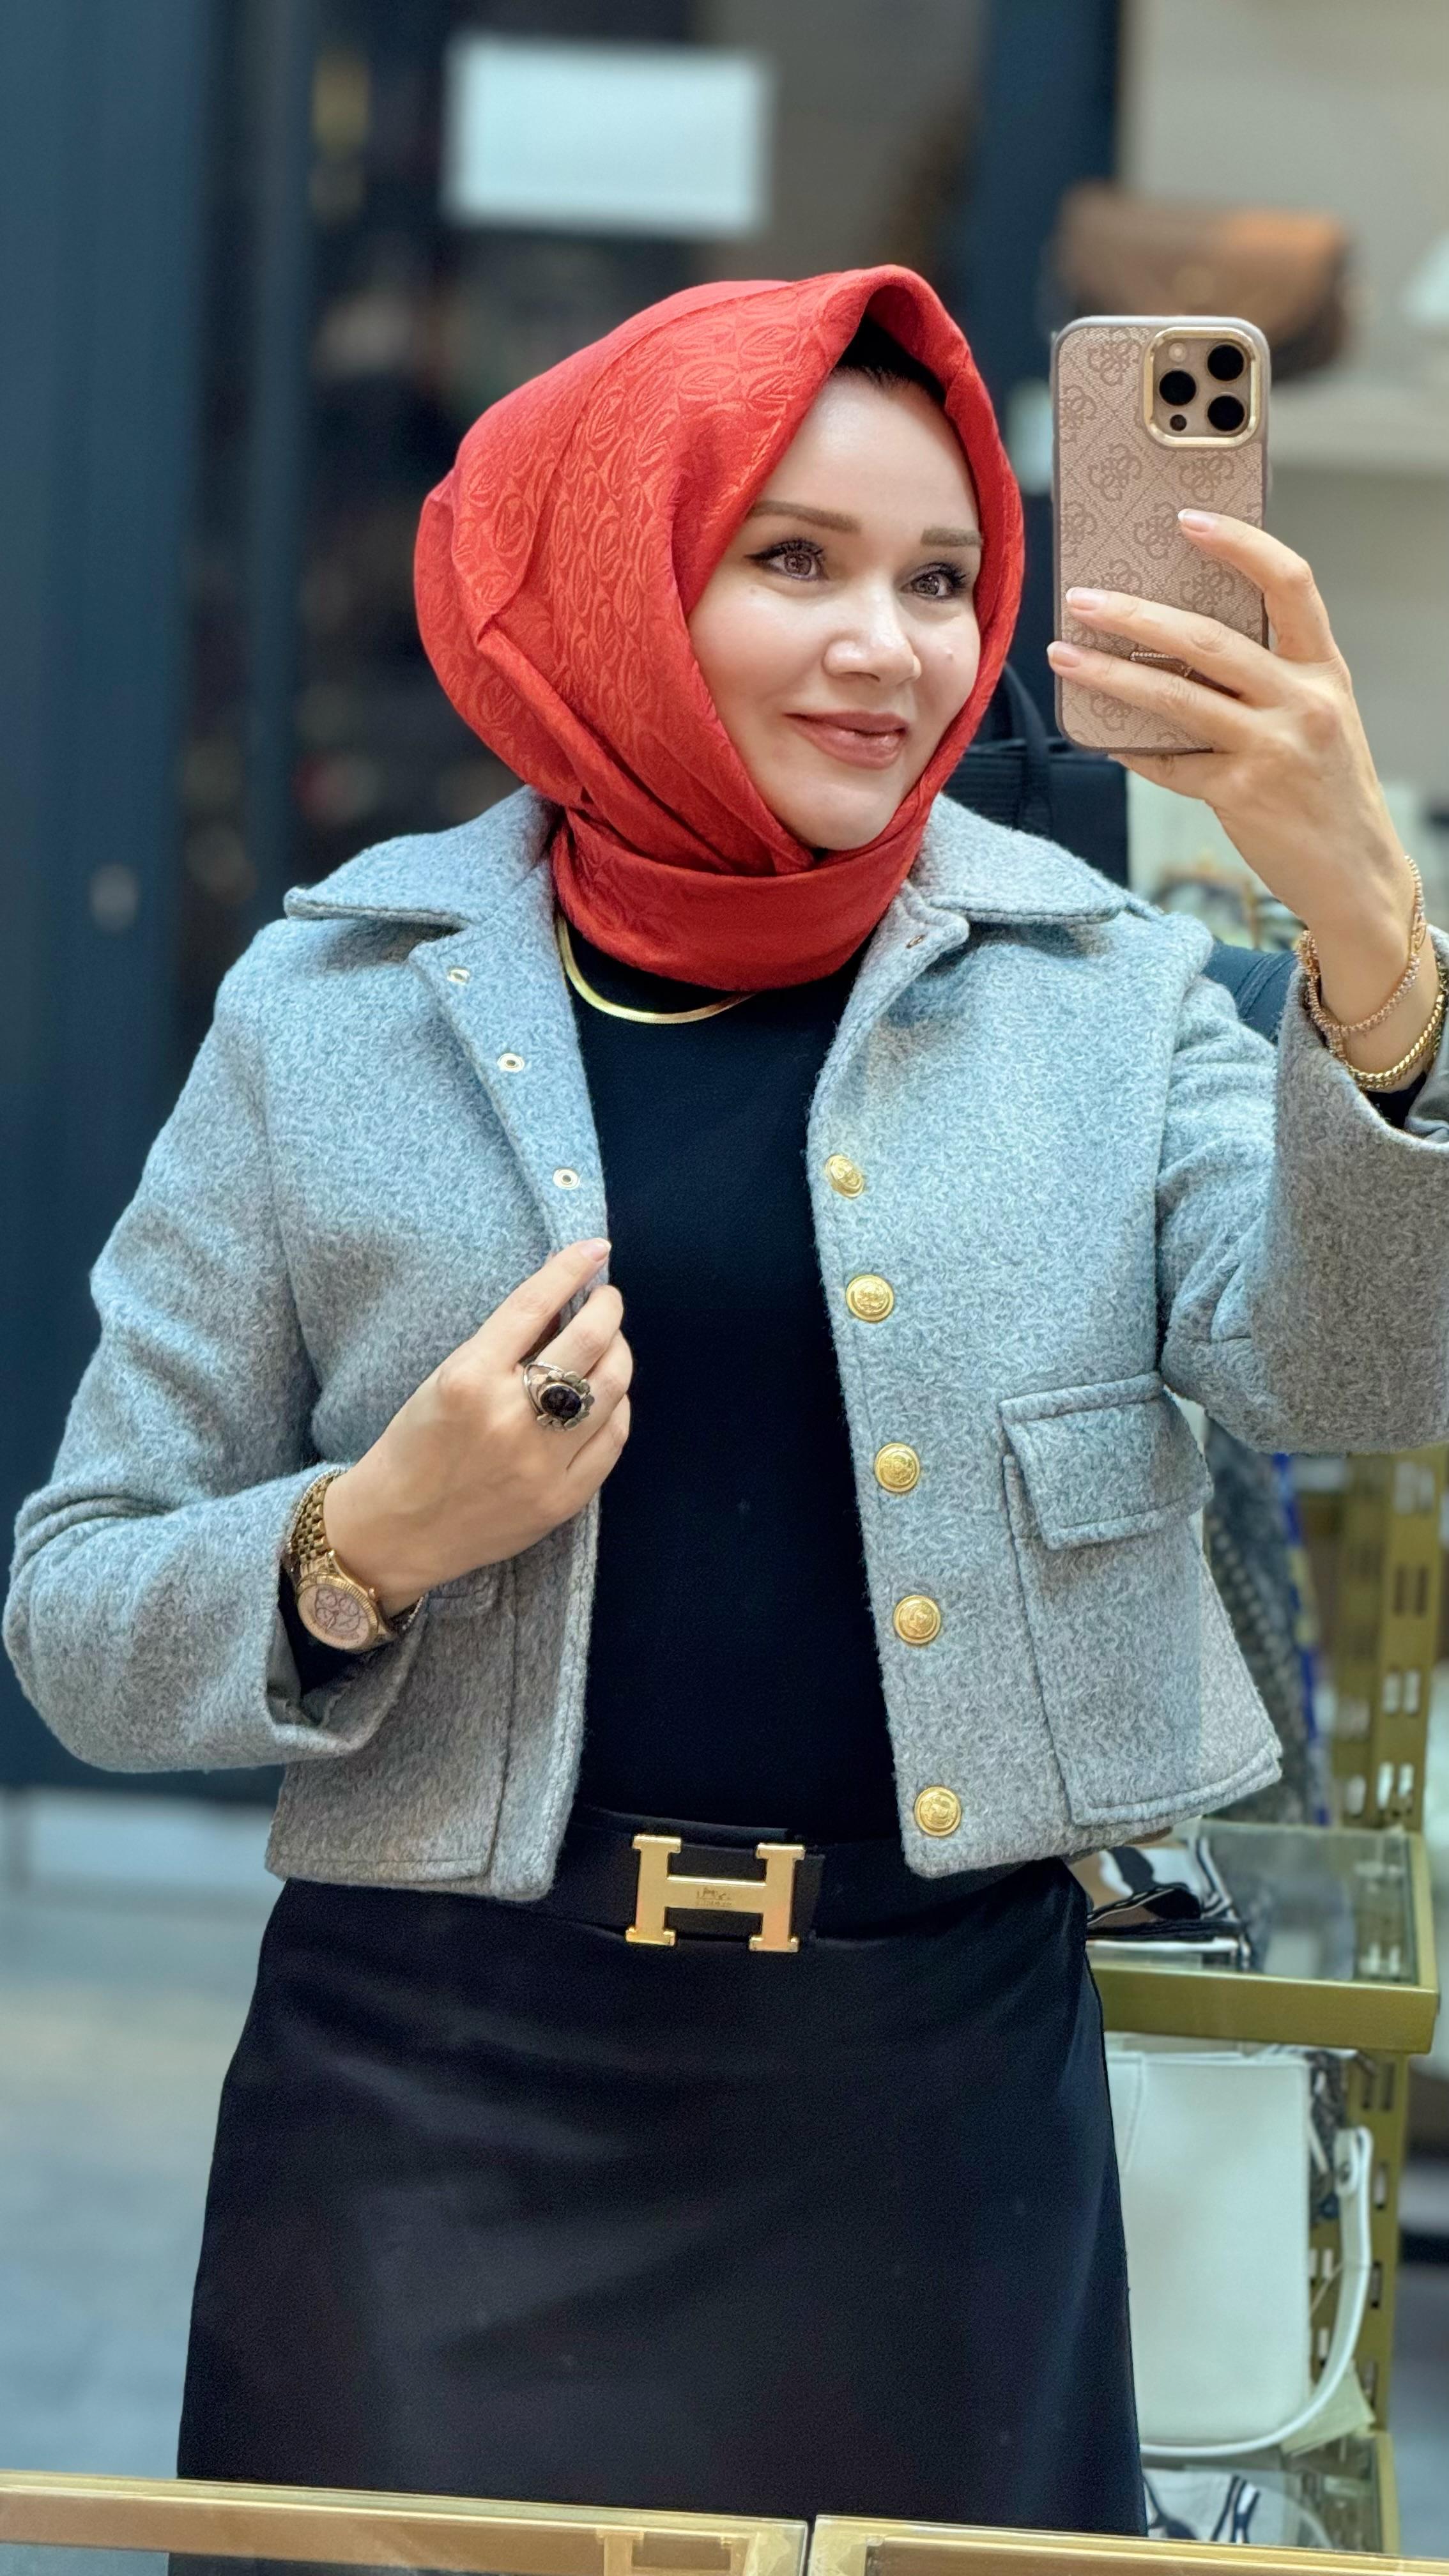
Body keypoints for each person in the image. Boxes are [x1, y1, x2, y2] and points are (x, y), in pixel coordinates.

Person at [8, 266, 1449, 2536]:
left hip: (934, 2099)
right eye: (793, 560)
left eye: (944, 580)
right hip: (431, 2104)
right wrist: (362, 1541)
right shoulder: (337, 1002)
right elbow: (77, 1613)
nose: (890, 648)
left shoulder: (1102, 987)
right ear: (615, 569)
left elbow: (1366, 1374)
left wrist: (1367, 935)